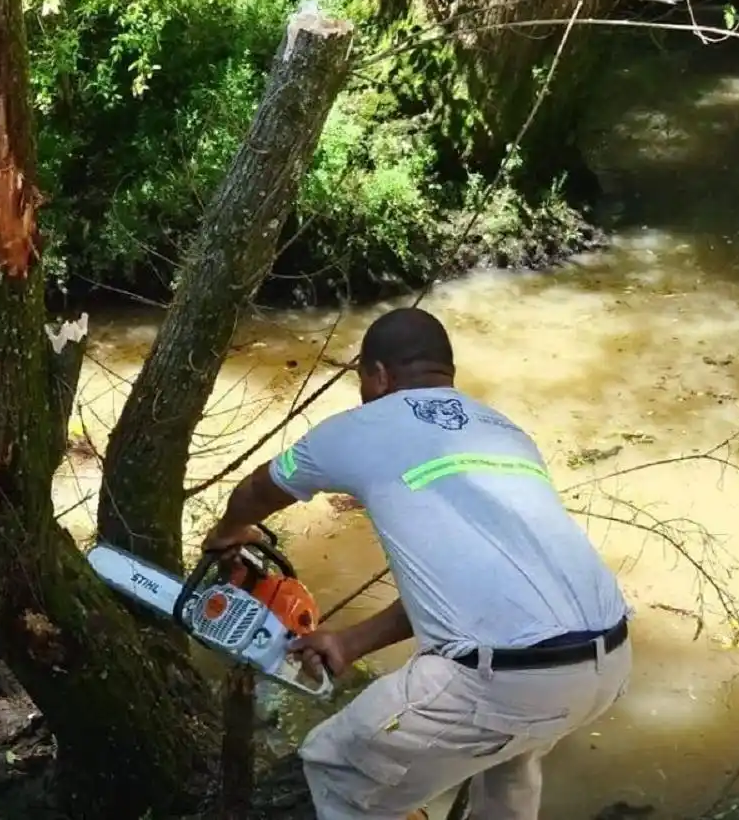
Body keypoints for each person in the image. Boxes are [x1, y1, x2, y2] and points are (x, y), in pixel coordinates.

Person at [201, 306, 632, 820]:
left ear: (378, 375)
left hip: (506, 675)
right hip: (605, 662)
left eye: (363, 382)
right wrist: (349, 641)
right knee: (510, 769)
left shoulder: (359, 426)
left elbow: (258, 490)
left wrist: (227, 533)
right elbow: (476, 587)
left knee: (335, 767)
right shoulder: (506, 432)